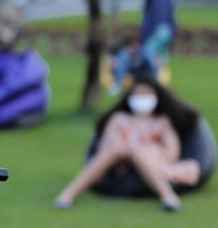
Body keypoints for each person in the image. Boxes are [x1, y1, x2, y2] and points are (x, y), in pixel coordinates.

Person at [55, 75, 200, 211]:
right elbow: (104, 147)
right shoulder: (119, 118)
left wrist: (142, 151)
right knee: (116, 149)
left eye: (146, 95)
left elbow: (171, 153)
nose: (142, 99)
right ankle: (68, 194)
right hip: (118, 159)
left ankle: (168, 196)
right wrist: (125, 150)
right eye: (137, 95)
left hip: (150, 159)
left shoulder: (162, 122)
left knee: (137, 151)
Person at [109, 0, 187, 95]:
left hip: (164, 26)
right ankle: (151, 85)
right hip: (149, 28)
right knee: (152, 57)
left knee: (147, 52)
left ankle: (154, 85)